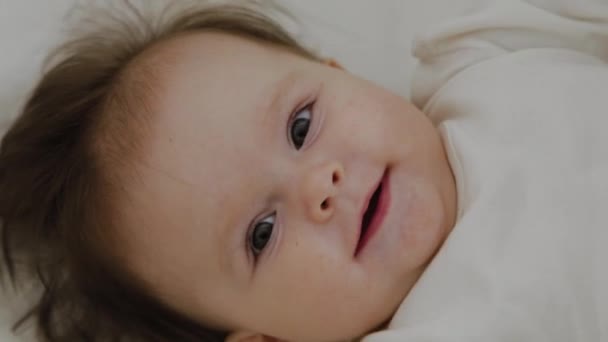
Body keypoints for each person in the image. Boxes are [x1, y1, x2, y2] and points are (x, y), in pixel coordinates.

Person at [0, 1, 605, 342]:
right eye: (261, 234)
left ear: (344, 73)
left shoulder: (484, 53)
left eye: (300, 126)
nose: (319, 185)